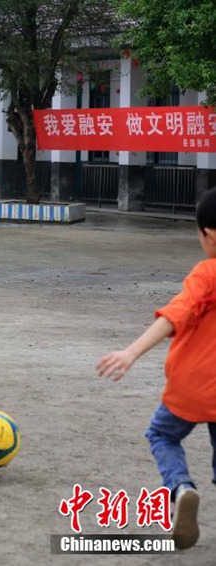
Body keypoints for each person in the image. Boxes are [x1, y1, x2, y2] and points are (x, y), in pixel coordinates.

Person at [96, 188, 216, 550]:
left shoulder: (207, 273)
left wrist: (132, 351)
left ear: (207, 234)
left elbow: (175, 315)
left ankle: (181, 488)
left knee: (162, 435)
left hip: (193, 387)